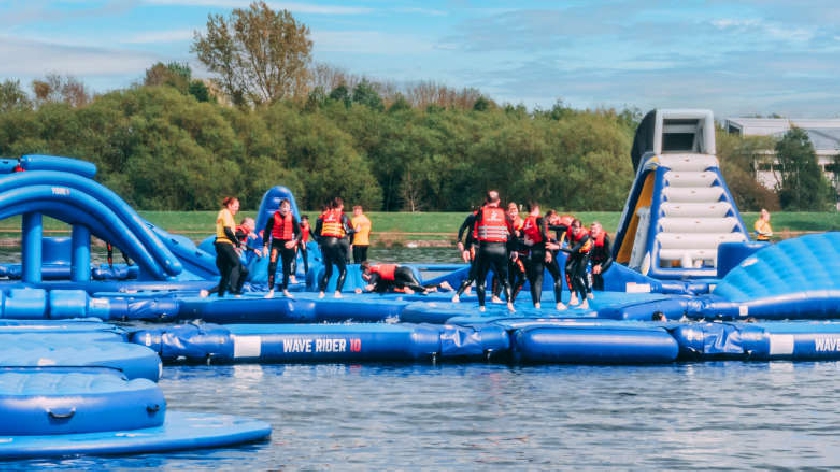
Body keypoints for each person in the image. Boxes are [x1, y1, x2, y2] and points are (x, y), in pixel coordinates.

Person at [454, 190, 514, 312]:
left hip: (485, 249)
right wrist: (513, 249)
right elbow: (512, 233)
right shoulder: (504, 214)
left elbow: (472, 232)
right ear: (499, 201)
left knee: (480, 279)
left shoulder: (480, 213)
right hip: (501, 249)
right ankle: (509, 303)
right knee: (504, 279)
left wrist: (465, 247)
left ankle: (482, 306)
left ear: (486, 201)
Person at [263, 198, 301, 298]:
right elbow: (266, 232)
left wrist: (294, 241)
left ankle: (285, 289)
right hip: (276, 244)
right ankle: (271, 290)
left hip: (288, 244)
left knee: (286, 268)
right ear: (279, 207)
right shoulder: (272, 218)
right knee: (272, 266)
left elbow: (299, 233)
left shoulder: (292, 219)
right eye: (283, 207)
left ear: (289, 208)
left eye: (287, 207)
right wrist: (265, 246)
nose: (285, 209)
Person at [316, 197, 350, 298]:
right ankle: (337, 292)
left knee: (328, 271)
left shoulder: (324, 215)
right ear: (340, 206)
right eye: (342, 206)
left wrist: (319, 242)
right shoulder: (342, 215)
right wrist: (356, 230)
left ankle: (321, 292)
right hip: (335, 244)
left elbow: (317, 232)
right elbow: (347, 231)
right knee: (343, 270)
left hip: (324, 245)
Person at [357, 261, 452, 294]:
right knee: (415, 285)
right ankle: (439, 285)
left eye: (363, 272)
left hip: (403, 273)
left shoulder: (374, 273)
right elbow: (395, 264)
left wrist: (362, 290)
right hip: (403, 271)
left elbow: (370, 287)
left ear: (366, 270)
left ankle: (440, 285)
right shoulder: (378, 266)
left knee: (417, 286)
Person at [213, 196, 242, 298]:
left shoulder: (224, 213)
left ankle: (220, 294)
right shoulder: (226, 213)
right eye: (235, 206)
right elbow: (227, 230)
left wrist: (242, 235)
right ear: (229, 206)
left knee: (226, 271)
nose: (237, 209)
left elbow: (231, 231)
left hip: (220, 244)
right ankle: (234, 290)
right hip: (225, 243)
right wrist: (236, 241)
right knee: (236, 264)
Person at [562, 218, 592, 309]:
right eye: (574, 228)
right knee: (568, 269)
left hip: (584, 254)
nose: (575, 231)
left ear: (580, 228)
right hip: (576, 252)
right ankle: (574, 296)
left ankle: (585, 301)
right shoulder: (569, 231)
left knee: (578, 276)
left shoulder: (584, 236)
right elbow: (558, 228)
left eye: (577, 229)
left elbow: (572, 250)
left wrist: (558, 247)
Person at [588, 221, 612, 291]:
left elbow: (609, 258)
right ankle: (595, 292)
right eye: (591, 229)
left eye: (594, 229)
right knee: (594, 276)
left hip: (605, 260)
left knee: (597, 272)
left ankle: (601, 293)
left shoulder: (605, 239)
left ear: (600, 230)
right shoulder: (588, 238)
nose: (592, 231)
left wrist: (601, 267)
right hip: (594, 261)